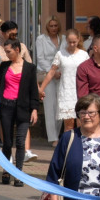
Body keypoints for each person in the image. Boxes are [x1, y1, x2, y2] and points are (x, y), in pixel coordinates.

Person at [0, 40, 40, 186]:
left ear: (17, 50)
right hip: (6, 106)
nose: (6, 54)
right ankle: (6, 170)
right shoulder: (5, 66)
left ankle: (18, 174)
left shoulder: (30, 68)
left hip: (23, 108)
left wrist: (34, 109)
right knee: (7, 142)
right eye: (5, 51)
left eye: (9, 51)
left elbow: (33, 90)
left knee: (20, 141)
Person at [40, 29, 90, 136]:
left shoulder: (84, 55)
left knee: (81, 122)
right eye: (69, 42)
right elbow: (51, 72)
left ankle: (81, 148)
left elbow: (90, 73)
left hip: (80, 90)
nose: (72, 44)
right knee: (68, 124)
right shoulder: (60, 54)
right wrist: (41, 88)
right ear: (66, 40)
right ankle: (67, 149)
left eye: (74, 42)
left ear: (78, 40)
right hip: (66, 91)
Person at [35, 17, 64, 145]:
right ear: (47, 27)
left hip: (61, 74)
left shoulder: (63, 39)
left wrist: (60, 71)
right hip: (47, 74)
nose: (53, 28)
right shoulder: (41, 39)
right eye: (51, 26)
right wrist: (52, 72)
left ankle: (57, 133)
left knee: (60, 105)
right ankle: (53, 137)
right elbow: (40, 58)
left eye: (55, 25)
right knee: (49, 106)